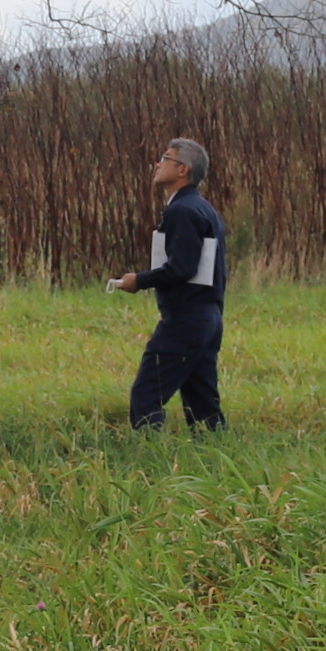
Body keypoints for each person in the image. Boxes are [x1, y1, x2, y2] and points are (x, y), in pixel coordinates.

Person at [111, 134, 230, 434]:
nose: (157, 163)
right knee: (203, 406)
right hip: (209, 318)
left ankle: (151, 463)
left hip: (185, 321)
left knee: (146, 396)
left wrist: (139, 280)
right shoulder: (205, 210)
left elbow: (182, 267)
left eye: (165, 158)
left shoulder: (182, 211)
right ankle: (217, 460)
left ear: (183, 170)